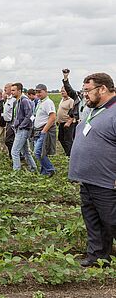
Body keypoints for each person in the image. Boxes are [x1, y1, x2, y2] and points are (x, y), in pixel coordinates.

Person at [68, 72, 115, 267]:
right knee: (93, 221)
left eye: (87, 91)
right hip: (88, 179)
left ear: (102, 89)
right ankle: (97, 256)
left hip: (107, 181)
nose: (84, 95)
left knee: (112, 221)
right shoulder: (93, 110)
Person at [10, 83, 36, 172]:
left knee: (14, 152)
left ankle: (16, 171)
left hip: (22, 130)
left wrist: (21, 126)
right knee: (25, 152)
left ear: (19, 91)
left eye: (13, 90)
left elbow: (29, 115)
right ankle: (33, 168)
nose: (11, 92)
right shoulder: (17, 101)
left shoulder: (24, 100)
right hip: (19, 129)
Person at [32, 84, 56, 177]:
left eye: (40, 92)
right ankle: (44, 171)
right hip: (37, 130)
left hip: (43, 130)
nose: (38, 94)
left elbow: (53, 117)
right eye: (36, 92)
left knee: (37, 152)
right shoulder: (39, 102)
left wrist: (44, 131)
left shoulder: (48, 102)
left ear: (45, 91)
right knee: (42, 152)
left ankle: (50, 169)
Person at [0, 83, 16, 156]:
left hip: (12, 122)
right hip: (6, 122)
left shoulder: (14, 99)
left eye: (6, 87)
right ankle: (12, 154)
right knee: (8, 139)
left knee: (9, 140)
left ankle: (14, 154)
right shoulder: (7, 99)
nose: (4, 89)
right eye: (4, 87)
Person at [56, 86, 75, 156]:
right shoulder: (62, 99)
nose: (62, 92)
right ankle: (67, 151)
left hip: (68, 123)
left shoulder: (71, 100)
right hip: (61, 123)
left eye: (64, 91)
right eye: (61, 91)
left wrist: (69, 122)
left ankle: (70, 154)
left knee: (68, 140)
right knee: (60, 138)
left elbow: (73, 112)